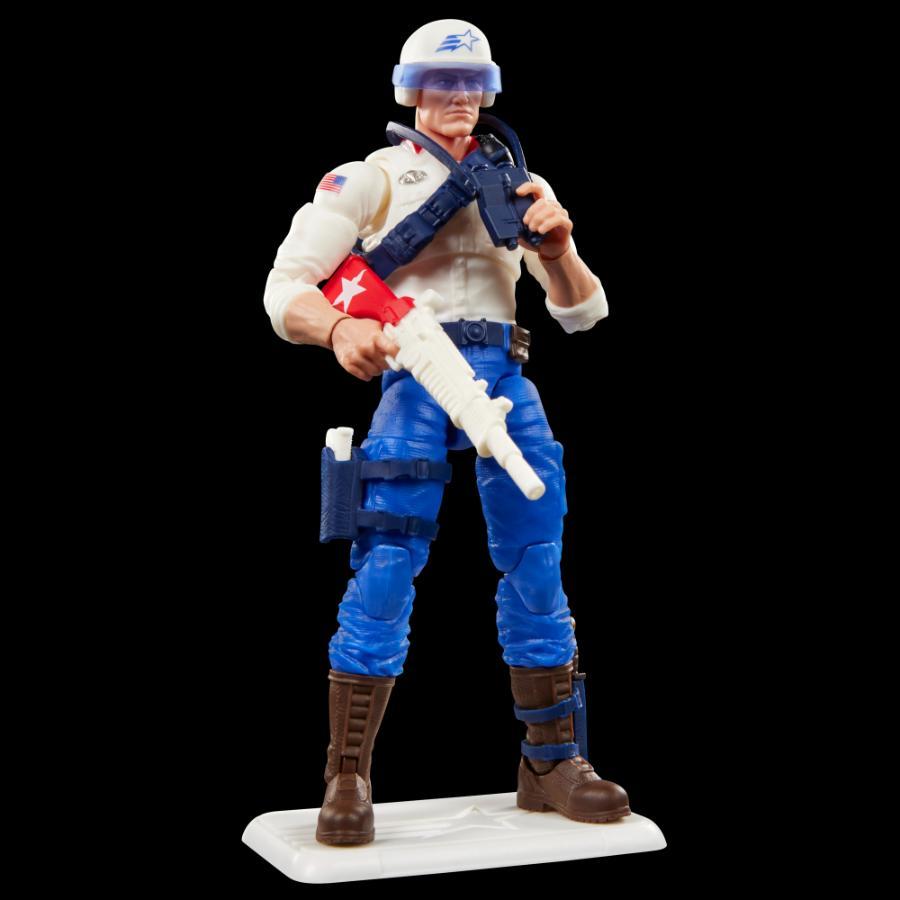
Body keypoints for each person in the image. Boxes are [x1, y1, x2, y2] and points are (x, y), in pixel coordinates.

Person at [263, 19, 630, 846]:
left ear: (489, 91)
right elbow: (285, 287)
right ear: (412, 91)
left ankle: (552, 763)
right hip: (415, 372)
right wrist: (338, 330)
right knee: (387, 561)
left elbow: (583, 312)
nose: (458, 97)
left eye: (471, 84)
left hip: (503, 374)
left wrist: (560, 248)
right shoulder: (370, 178)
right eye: (442, 82)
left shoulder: (518, 179)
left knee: (538, 560)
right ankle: (348, 774)